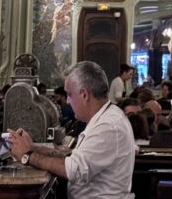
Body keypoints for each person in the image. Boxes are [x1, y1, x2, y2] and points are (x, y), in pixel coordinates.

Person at [9, 60, 135, 199]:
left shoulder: (108, 126)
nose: (68, 101)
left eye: (69, 94)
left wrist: (27, 156)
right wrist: (31, 147)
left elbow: (74, 170)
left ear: (84, 94)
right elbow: (71, 158)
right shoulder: (105, 118)